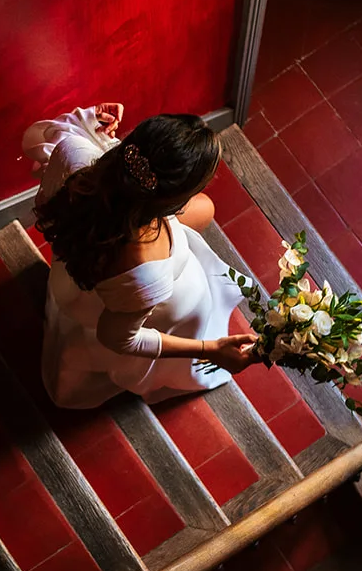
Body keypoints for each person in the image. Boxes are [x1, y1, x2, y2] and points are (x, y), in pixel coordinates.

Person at [25, 103, 259, 409]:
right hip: (116, 303)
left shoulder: (74, 154)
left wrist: (86, 119)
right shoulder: (146, 272)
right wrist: (209, 348)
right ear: (172, 201)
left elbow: (33, 139)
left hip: (76, 273)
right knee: (207, 210)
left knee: (206, 210)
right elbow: (119, 339)